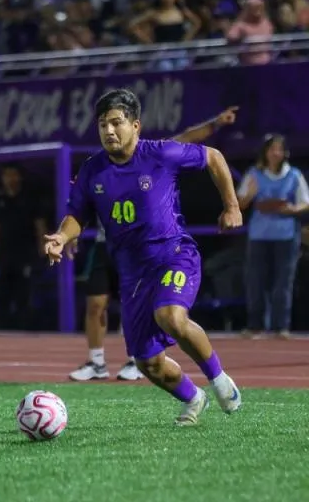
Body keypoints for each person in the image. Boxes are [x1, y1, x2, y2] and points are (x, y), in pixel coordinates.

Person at [45, 89, 242, 427]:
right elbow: (77, 214)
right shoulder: (92, 170)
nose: (109, 131)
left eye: (116, 123)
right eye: (103, 124)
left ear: (135, 126)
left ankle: (221, 380)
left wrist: (232, 206)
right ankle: (194, 398)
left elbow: (213, 157)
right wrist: (62, 237)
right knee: (146, 361)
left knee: (170, 315)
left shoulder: (161, 153)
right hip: (132, 274)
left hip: (174, 255)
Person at [237, 134, 309, 338]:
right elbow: (240, 203)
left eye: (279, 149)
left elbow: (305, 202)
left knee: (283, 282)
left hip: (286, 236)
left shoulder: (293, 175)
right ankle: (255, 325)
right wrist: (250, 194)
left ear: (285, 153)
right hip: (259, 235)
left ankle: (280, 326)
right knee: (255, 281)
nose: (276, 153)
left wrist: (292, 209)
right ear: (265, 152)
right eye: (272, 149)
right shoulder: (254, 174)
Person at [0, 163, 46, 329]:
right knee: (2, 295)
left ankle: (25, 331)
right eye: (6, 175)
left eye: (13, 174)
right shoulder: (0, 201)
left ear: (20, 177)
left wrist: (43, 249)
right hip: (4, 256)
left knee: (24, 294)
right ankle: (1, 330)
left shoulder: (31, 200)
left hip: (25, 254)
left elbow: (40, 226)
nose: (10, 179)